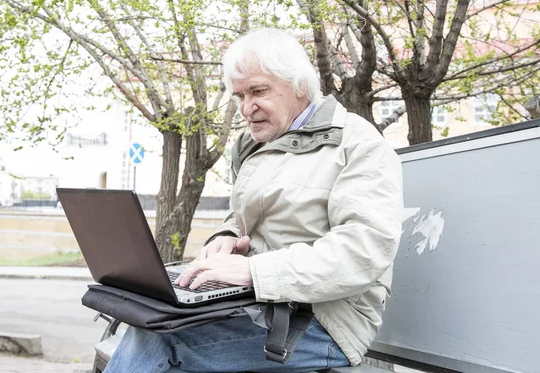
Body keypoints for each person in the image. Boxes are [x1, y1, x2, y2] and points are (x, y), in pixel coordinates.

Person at [105, 28, 404, 372]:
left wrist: (253, 271)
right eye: (239, 96)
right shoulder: (256, 145)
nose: (247, 108)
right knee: (153, 317)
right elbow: (240, 218)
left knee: (159, 340)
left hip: (325, 322)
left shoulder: (357, 144)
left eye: (258, 91)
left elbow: (364, 250)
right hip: (258, 305)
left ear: (299, 85)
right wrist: (226, 239)